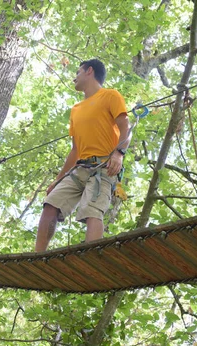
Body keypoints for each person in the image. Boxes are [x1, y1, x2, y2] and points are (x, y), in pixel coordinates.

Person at [35, 59, 130, 252]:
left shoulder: (110, 96)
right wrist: (58, 179)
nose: (74, 77)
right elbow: (75, 150)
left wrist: (119, 153)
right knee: (50, 204)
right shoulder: (76, 109)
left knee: (92, 211)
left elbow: (125, 127)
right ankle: (37, 257)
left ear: (89, 71)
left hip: (103, 168)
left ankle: (90, 259)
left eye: (78, 72)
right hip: (79, 169)